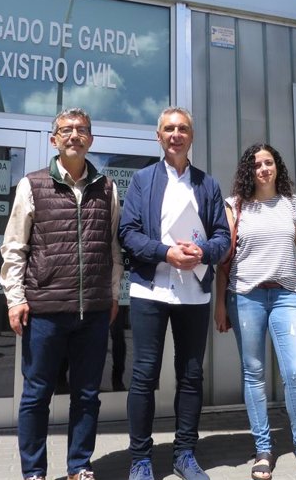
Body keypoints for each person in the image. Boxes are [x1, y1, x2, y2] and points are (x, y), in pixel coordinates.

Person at [0, 107, 123, 480]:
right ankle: (34, 472)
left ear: (90, 139)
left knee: (87, 395)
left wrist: (114, 293)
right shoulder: (32, 184)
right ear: (54, 139)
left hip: (94, 312)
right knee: (37, 395)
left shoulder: (108, 187)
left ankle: (79, 467)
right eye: (66, 130)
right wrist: (15, 297)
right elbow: (14, 247)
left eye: (81, 129)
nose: (74, 135)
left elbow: (113, 249)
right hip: (45, 310)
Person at [119, 106, 230, 480]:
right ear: (159, 136)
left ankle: (185, 454)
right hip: (151, 289)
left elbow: (222, 237)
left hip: (194, 293)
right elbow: (128, 233)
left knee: (191, 375)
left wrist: (204, 253)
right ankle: (141, 459)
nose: (176, 134)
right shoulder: (142, 180)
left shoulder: (207, 184)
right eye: (169, 129)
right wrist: (165, 252)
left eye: (182, 128)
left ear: (191, 136)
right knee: (144, 376)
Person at [214, 143, 296, 480]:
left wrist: (288, 273)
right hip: (245, 297)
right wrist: (221, 302)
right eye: (256, 165)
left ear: (277, 167)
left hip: (286, 298)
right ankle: (263, 450)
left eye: (268, 163)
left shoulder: (293, 206)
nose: (263, 169)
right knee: (253, 374)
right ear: (248, 171)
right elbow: (225, 261)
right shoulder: (234, 206)